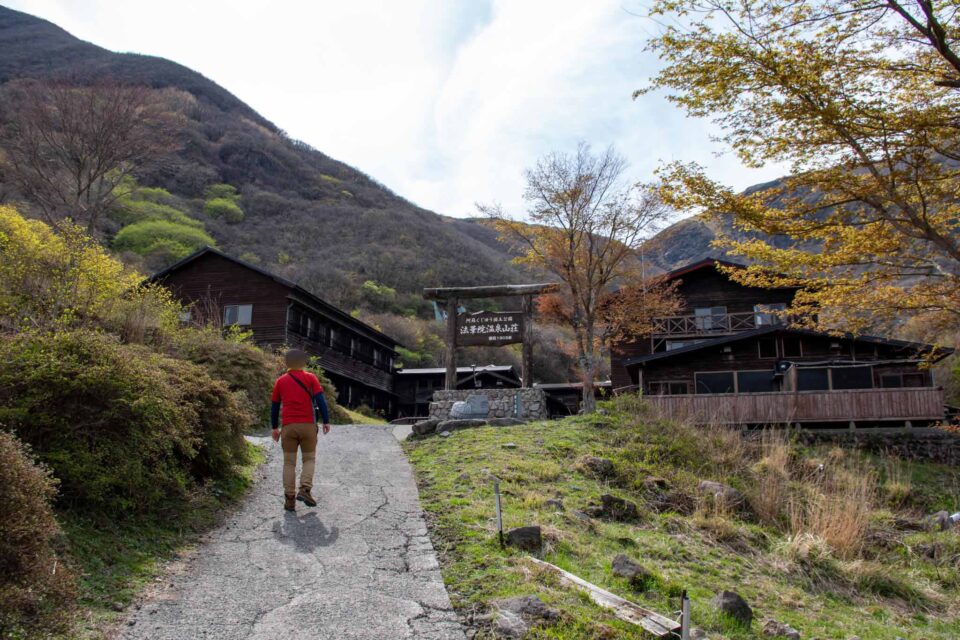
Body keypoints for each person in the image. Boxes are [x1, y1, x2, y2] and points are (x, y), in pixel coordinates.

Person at [270, 349, 331, 511]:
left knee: (289, 463)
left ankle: (290, 499)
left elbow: (275, 406)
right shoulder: (310, 378)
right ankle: (304, 489)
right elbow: (321, 400)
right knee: (309, 459)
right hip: (308, 426)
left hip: (288, 427)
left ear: (287, 362)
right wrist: (326, 420)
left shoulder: (280, 381)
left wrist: (274, 427)